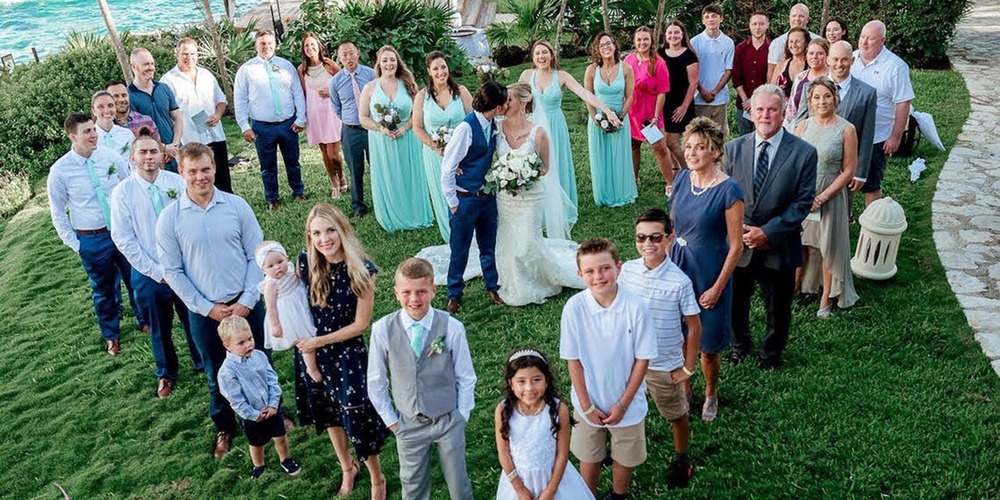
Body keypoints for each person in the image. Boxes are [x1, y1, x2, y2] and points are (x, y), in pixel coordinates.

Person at [157, 142, 270, 458]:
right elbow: (174, 271)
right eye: (192, 171)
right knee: (217, 370)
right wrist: (207, 308)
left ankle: (271, 417)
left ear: (215, 168)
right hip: (205, 311)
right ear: (181, 172)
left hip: (246, 303)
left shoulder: (237, 207)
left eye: (205, 169)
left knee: (260, 361)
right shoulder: (170, 219)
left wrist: (248, 298)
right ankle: (225, 425)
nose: (200, 176)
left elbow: (256, 255)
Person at [296, 203, 388, 499]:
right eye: (317, 233)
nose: (325, 239)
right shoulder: (306, 264)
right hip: (313, 355)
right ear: (309, 236)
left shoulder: (361, 270)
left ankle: (377, 478)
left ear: (342, 230)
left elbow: (361, 325)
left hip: (347, 355)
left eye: (330, 230)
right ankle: (348, 468)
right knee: (330, 415)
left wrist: (317, 343)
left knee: (356, 418)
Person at [723, 85, 817, 370]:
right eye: (759, 109)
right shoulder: (733, 149)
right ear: (750, 112)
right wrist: (741, 232)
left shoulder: (804, 153)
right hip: (740, 242)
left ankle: (771, 353)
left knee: (778, 305)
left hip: (779, 242)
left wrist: (769, 233)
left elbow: (802, 202)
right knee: (735, 300)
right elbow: (725, 195)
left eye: (772, 110)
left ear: (784, 111)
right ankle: (739, 345)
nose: (765, 115)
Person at [367, 257, 477, 500]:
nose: (414, 299)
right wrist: (393, 422)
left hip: (448, 419)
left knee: (459, 484)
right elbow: (376, 381)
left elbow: (466, 376)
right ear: (396, 292)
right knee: (413, 486)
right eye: (406, 292)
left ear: (433, 290)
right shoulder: (383, 329)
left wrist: (462, 415)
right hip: (408, 422)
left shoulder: (452, 327)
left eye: (421, 291)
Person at [560, 239, 657, 500]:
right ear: (580, 274)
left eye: (605, 268)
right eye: (589, 271)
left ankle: (618, 494)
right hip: (587, 403)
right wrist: (586, 404)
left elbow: (642, 359)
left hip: (627, 402)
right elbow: (574, 360)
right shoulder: (574, 308)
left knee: (625, 454)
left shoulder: (636, 307)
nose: (598, 276)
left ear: (618, 267)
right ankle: (587, 494)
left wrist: (623, 404)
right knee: (588, 454)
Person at [110, 130, 202, 397]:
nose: (149, 157)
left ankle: (202, 361)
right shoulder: (122, 193)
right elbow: (123, 238)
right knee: (159, 326)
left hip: (186, 268)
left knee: (193, 318)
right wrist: (156, 271)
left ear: (162, 155)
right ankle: (166, 373)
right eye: (143, 152)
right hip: (148, 272)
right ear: (132, 157)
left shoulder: (177, 181)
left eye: (153, 152)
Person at [617, 208, 701, 488]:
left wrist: (688, 367)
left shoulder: (680, 282)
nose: (648, 245)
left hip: (663, 363)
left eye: (655, 237)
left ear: (670, 238)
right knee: (621, 405)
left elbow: (694, 327)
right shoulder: (627, 270)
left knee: (675, 413)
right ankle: (613, 445)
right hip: (627, 360)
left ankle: (681, 458)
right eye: (641, 238)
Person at [669, 118, 744, 419]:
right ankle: (686, 389)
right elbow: (673, 229)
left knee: (708, 344)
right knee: (677, 335)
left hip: (710, 269)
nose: (692, 153)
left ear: (715, 151)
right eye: (688, 147)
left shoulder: (729, 190)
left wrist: (718, 287)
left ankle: (711, 393)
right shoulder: (680, 180)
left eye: (700, 147)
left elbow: (737, 245)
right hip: (678, 267)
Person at [47, 113, 139, 356]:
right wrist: (76, 244)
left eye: (94, 130)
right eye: (87, 131)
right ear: (72, 136)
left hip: (121, 231)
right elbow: (57, 212)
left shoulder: (109, 157)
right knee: (103, 288)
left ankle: (145, 321)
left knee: (136, 279)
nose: (93, 135)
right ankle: (111, 335)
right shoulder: (60, 171)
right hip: (91, 238)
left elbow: (129, 187)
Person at [494, 83, 584, 306]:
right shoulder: (497, 128)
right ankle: (516, 280)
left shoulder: (538, 132)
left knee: (527, 243)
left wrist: (524, 174)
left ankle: (543, 279)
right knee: (509, 242)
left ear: (523, 102)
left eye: (510, 100)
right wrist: (507, 174)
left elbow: (545, 167)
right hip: (506, 196)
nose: (505, 104)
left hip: (531, 195)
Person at [519, 40, 621, 216]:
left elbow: (584, 93)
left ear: (551, 55)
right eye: (537, 53)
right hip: (534, 126)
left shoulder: (562, 76)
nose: (541, 57)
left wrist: (606, 111)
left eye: (545, 52)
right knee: (534, 164)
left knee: (555, 163)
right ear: (533, 57)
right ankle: (537, 208)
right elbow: (514, 98)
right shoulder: (527, 75)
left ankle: (559, 207)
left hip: (555, 126)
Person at [440, 81, 509, 314]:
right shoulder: (466, 129)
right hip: (465, 199)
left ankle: (492, 286)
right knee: (459, 249)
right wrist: (453, 203)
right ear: (497, 107)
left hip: (487, 198)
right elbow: (448, 168)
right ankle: (454, 294)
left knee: (488, 245)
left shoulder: (493, 123)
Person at [794, 77, 860, 316]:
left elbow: (849, 170)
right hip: (804, 193)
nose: (822, 101)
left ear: (835, 98)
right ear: (810, 101)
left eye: (827, 96)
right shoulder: (802, 127)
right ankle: (798, 285)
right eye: (816, 97)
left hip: (831, 194)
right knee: (800, 243)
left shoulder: (846, 129)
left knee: (827, 246)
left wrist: (822, 197)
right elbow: (795, 163)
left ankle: (827, 296)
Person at [494, 348, 594, 499]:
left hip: (554, 479)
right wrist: (519, 489)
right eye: (521, 381)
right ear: (511, 383)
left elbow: (562, 454)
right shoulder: (503, 410)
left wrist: (551, 490)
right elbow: (503, 452)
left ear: (546, 380)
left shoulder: (558, 410)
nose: (529, 388)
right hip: (518, 480)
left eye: (536, 380)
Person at [358, 45, 434, 232]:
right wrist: (380, 128)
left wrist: (404, 128)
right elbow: (363, 118)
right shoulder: (370, 88)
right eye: (385, 60)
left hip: (407, 139)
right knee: (389, 176)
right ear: (379, 64)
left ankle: (415, 213)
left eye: (392, 59)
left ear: (397, 62)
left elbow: (418, 113)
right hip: (381, 141)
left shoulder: (407, 84)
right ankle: (392, 215)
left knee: (410, 175)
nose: (389, 63)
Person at [216, 316, 302, 480]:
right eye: (241, 343)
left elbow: (272, 380)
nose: (248, 344)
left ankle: (286, 459)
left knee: (280, 436)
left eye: (250, 339)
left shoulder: (260, 356)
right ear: (227, 346)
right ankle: (259, 465)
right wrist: (253, 414)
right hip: (252, 416)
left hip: (272, 408)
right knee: (256, 443)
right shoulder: (227, 372)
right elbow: (236, 399)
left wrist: (273, 404)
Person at [234, 29, 308, 211]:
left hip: (288, 124)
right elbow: (240, 99)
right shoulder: (246, 70)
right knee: (267, 166)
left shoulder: (286, 66)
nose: (266, 46)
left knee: (293, 161)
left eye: (269, 43)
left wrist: (301, 117)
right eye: (262, 43)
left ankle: (298, 191)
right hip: (262, 127)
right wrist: (244, 125)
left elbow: (297, 92)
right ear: (256, 46)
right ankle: (272, 198)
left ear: (275, 45)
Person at [851, 20, 915, 206]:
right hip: (850, 133)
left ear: (882, 41)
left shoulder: (896, 66)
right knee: (847, 176)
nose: (864, 42)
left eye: (870, 39)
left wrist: (895, 136)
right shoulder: (852, 59)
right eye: (862, 37)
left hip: (877, 136)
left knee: (871, 183)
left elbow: (903, 103)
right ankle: (847, 218)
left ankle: (872, 222)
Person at [412, 51, 473, 243]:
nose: (440, 72)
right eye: (436, 68)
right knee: (443, 196)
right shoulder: (422, 97)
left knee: (465, 195)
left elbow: (474, 122)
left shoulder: (461, 92)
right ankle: (453, 238)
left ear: (448, 68)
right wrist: (435, 146)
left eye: (443, 67)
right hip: (435, 155)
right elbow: (418, 128)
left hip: (463, 154)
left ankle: (473, 235)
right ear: (429, 72)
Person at [161, 37, 232, 193]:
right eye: (185, 54)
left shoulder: (206, 74)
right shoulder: (168, 80)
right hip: (190, 140)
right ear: (177, 54)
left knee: (223, 181)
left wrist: (218, 114)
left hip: (215, 136)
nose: (189, 57)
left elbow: (221, 100)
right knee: (198, 183)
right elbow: (166, 113)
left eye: (193, 53)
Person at [255, 241, 320, 382]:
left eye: (280, 261)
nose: (277, 267)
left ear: (287, 258)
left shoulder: (289, 268)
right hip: (291, 314)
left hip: (301, 302)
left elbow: (299, 277)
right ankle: (311, 368)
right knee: (305, 339)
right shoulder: (271, 284)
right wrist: (275, 325)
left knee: (314, 330)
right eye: (271, 266)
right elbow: (270, 307)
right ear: (263, 270)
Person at [585, 33, 637, 207]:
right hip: (597, 119)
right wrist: (595, 119)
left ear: (615, 46)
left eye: (609, 43)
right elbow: (588, 96)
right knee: (600, 156)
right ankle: (603, 194)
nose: (606, 47)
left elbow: (630, 96)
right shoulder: (592, 70)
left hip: (620, 118)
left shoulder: (626, 68)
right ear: (597, 50)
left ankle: (621, 193)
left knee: (619, 156)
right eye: (602, 45)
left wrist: (620, 117)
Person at [297, 32, 347, 199]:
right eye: (306, 46)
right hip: (314, 116)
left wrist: (331, 92)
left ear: (318, 46)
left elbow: (344, 83)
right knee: (325, 154)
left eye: (313, 44)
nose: (310, 48)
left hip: (331, 114)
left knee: (334, 154)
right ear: (303, 50)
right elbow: (302, 94)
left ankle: (342, 175)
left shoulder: (329, 65)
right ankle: (335, 184)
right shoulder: (301, 70)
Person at [329, 40, 375, 218]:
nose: (349, 58)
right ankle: (358, 206)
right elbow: (336, 107)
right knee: (355, 170)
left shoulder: (371, 75)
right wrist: (350, 120)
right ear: (339, 58)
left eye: (351, 53)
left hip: (372, 129)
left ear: (358, 53)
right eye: (344, 55)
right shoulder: (336, 82)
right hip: (350, 130)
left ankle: (382, 200)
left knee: (377, 167)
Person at [625, 27, 674, 192]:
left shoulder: (658, 63)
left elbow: (662, 93)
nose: (642, 43)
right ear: (634, 41)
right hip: (631, 113)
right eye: (639, 39)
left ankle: (670, 183)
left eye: (645, 39)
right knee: (633, 146)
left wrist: (655, 116)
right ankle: (633, 179)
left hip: (650, 115)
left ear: (651, 41)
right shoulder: (628, 60)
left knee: (659, 148)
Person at [128, 48, 183, 171]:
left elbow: (177, 118)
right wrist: (162, 148)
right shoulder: (129, 96)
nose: (151, 67)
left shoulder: (164, 88)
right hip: (152, 157)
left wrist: (174, 145)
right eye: (146, 64)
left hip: (175, 153)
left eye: (152, 63)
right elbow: (135, 132)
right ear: (134, 66)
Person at [658, 20, 700, 170]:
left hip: (682, 104)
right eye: (670, 32)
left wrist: (684, 107)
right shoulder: (659, 54)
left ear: (682, 34)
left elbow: (693, 83)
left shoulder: (689, 56)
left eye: (676, 32)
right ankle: (675, 170)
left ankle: (690, 169)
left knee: (671, 142)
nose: (673, 35)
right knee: (665, 143)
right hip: (663, 103)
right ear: (665, 35)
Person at [690, 4, 734, 137]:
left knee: (718, 138)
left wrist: (714, 91)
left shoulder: (728, 42)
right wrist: (702, 91)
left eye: (714, 16)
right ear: (703, 21)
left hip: (719, 100)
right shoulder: (695, 42)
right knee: (699, 138)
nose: (711, 20)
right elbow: (692, 71)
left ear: (721, 19)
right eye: (707, 17)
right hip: (698, 99)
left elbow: (729, 70)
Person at [732, 11, 771, 135]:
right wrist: (746, 101)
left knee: (763, 139)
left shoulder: (773, 48)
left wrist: (755, 100)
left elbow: (771, 78)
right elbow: (736, 77)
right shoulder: (740, 48)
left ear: (767, 25)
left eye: (761, 24)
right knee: (745, 142)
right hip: (744, 106)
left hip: (765, 105)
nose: (757, 27)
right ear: (749, 25)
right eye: (754, 24)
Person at [766, 3, 821, 83]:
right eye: (794, 16)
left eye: (801, 16)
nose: (797, 19)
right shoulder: (777, 43)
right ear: (789, 18)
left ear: (807, 19)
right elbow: (771, 76)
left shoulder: (817, 41)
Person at [784, 38, 830, 130]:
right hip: (797, 128)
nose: (814, 57)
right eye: (811, 53)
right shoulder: (800, 77)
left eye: (820, 53)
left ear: (827, 56)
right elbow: (791, 108)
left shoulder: (832, 78)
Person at [91, 90, 135, 163]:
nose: (107, 110)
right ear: (94, 111)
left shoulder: (127, 134)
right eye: (101, 107)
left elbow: (135, 163)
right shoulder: (88, 137)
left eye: (110, 105)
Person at [770, 27, 809, 98]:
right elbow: (772, 91)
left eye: (798, 41)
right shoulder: (781, 66)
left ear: (806, 43)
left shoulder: (811, 66)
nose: (794, 45)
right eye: (791, 41)